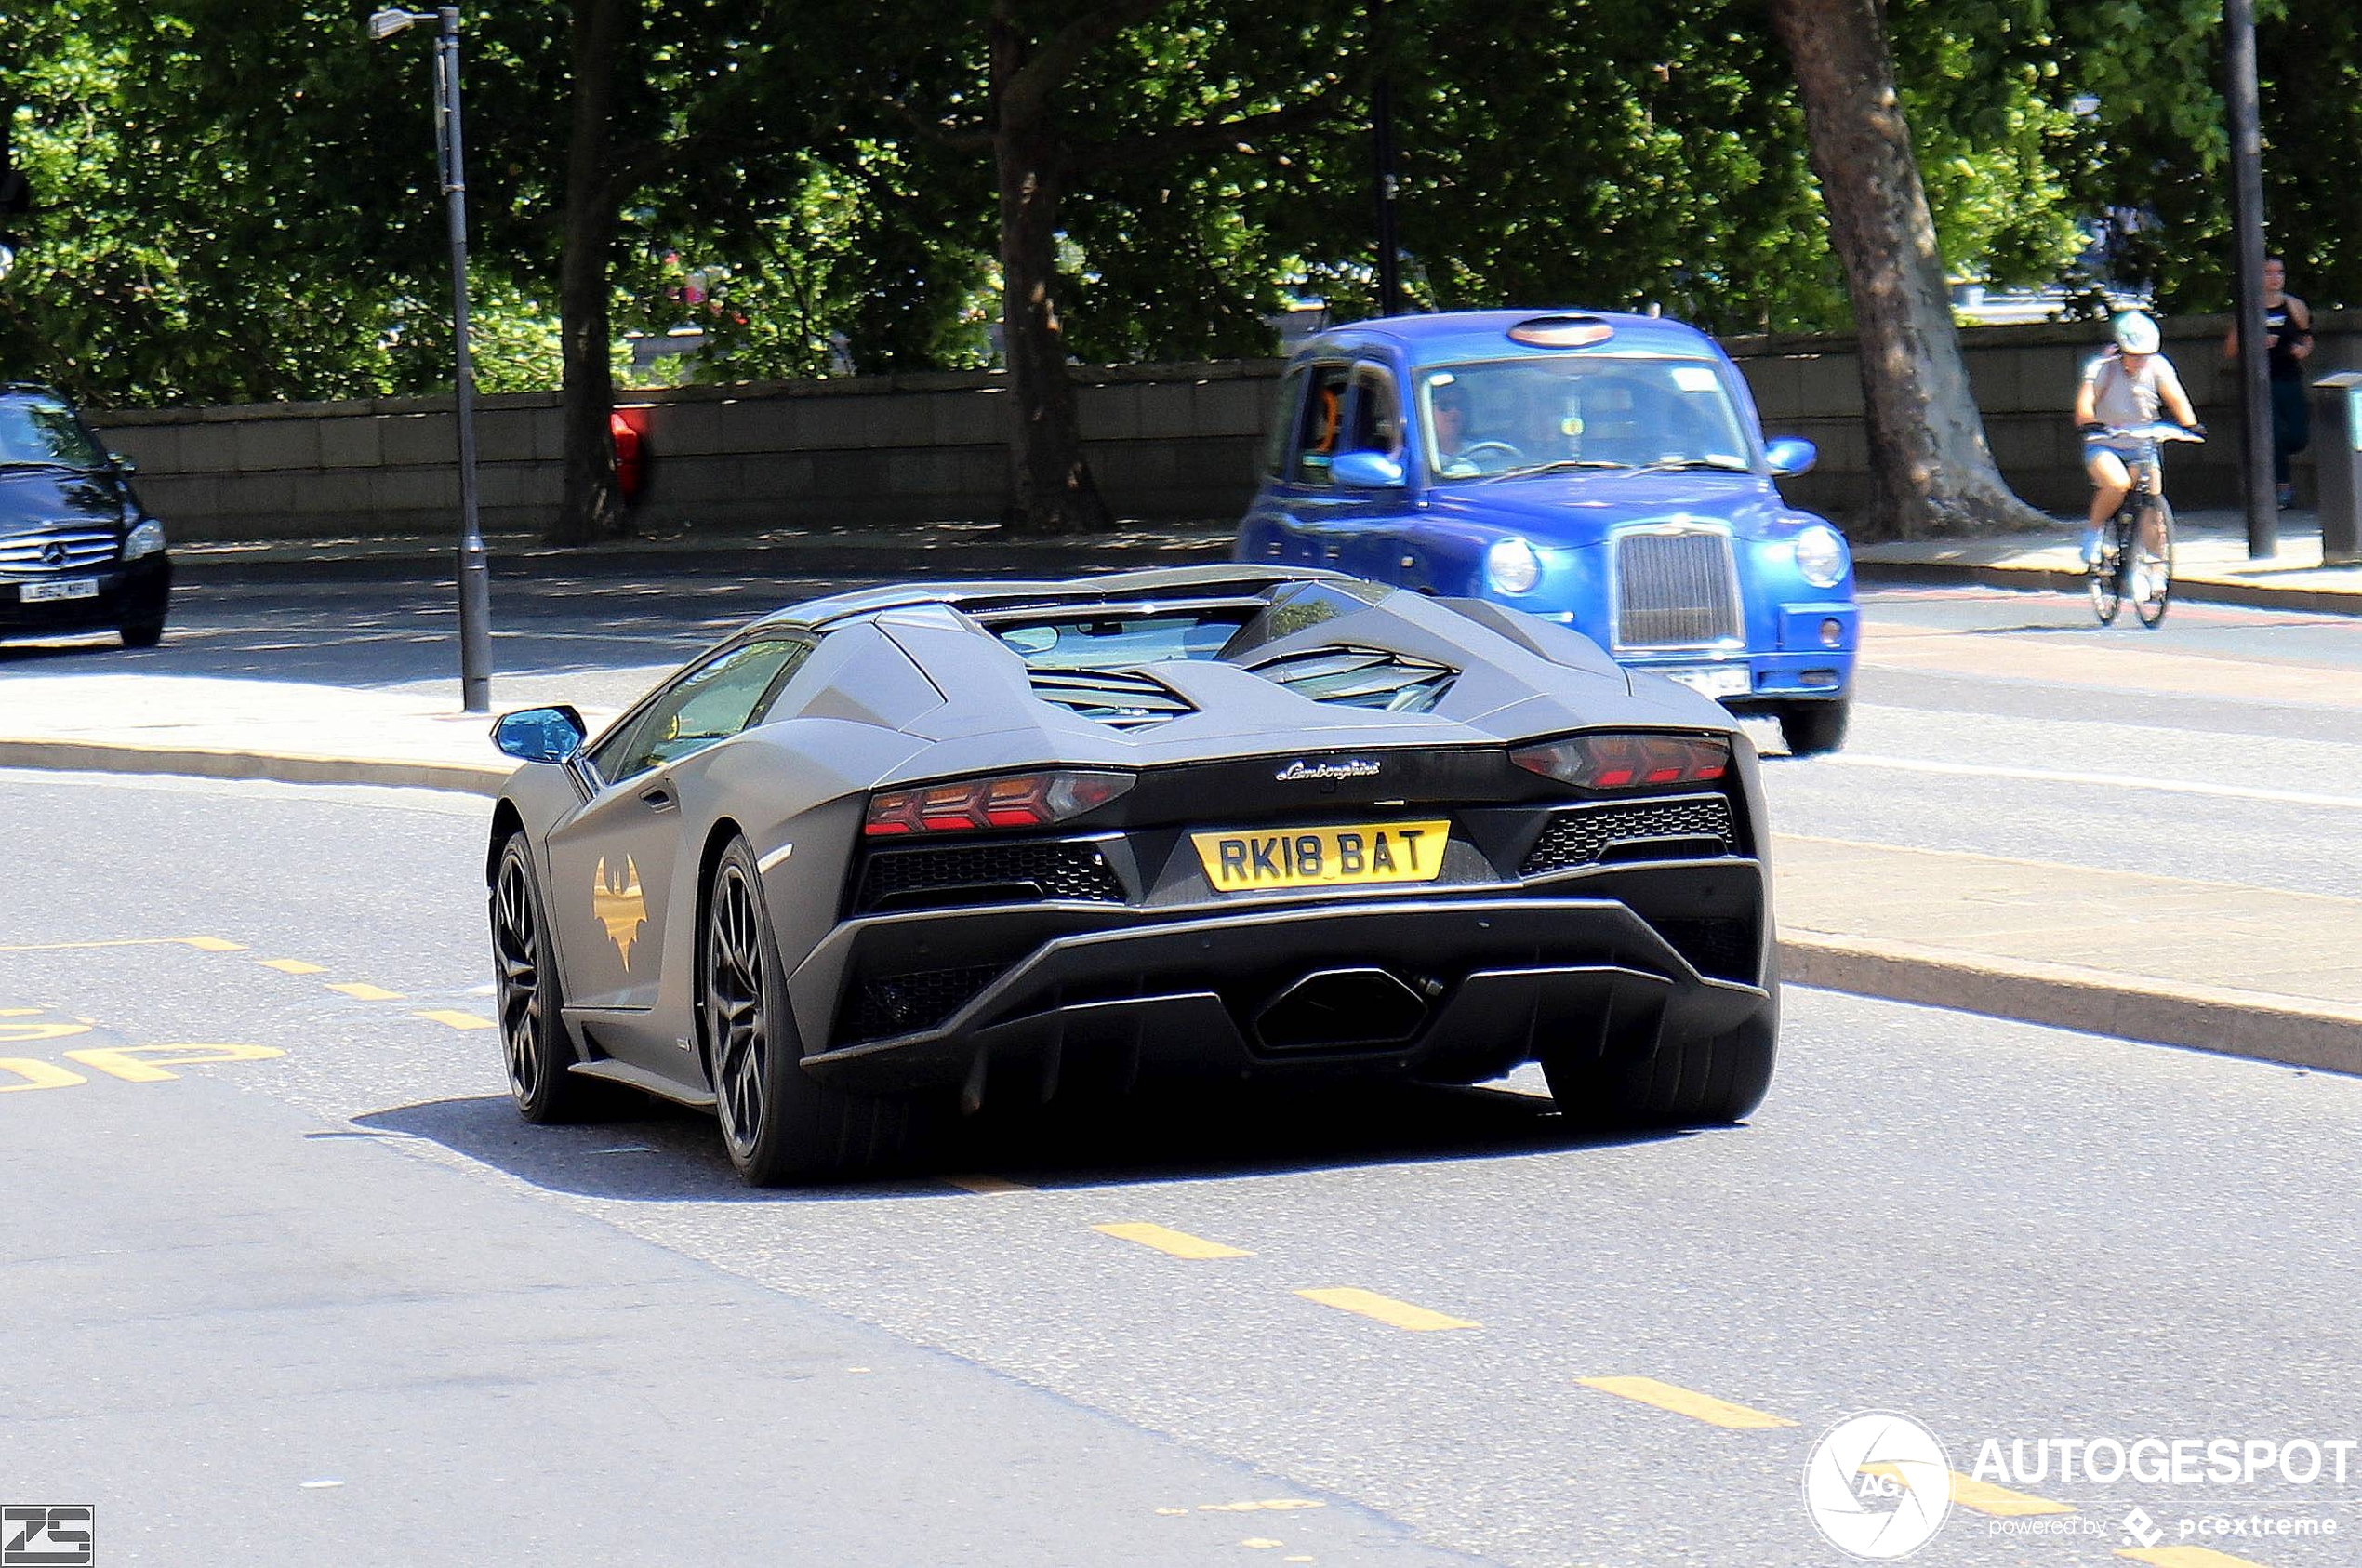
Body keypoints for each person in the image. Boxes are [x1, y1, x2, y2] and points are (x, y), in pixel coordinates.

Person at [2075, 312, 2202, 569]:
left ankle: (2156, 568)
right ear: (2121, 351)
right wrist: (2089, 422)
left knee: (2152, 506)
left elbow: (2175, 397)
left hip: (2142, 444)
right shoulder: (2101, 368)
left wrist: (2190, 425)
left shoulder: (2158, 367)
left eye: (2146, 355)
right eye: (2134, 355)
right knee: (2117, 484)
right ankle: (2094, 532)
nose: (2141, 361)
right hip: (2106, 443)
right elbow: (2085, 403)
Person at [2222, 256, 2313, 507]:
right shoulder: (2249, 309)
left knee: (2297, 436)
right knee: (2271, 433)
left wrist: (2302, 350)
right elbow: (2229, 350)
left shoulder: (2294, 307)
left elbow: (2306, 338)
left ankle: (2271, 467)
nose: (2274, 278)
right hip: (2260, 382)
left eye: (2279, 273)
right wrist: (2255, 342)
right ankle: (2282, 486)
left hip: (2289, 377)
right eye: (2268, 273)